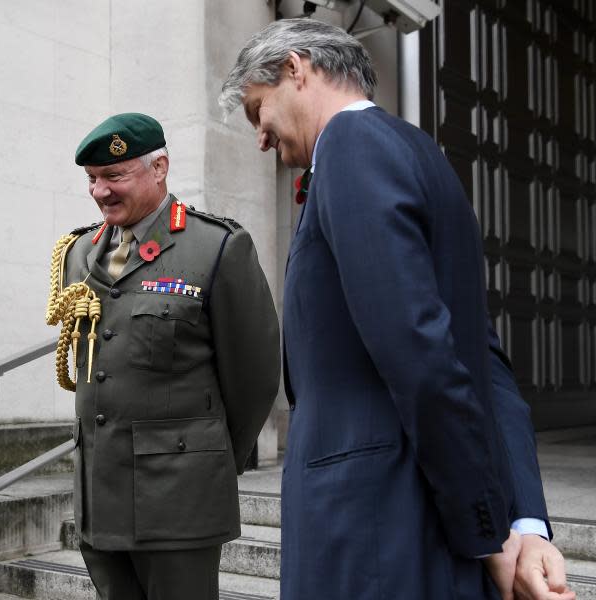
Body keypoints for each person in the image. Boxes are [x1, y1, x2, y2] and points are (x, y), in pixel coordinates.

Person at [218, 19, 574, 600]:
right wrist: (523, 522)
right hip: (413, 526)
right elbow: (484, 364)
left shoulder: (351, 147)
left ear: (295, 68)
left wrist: (489, 534)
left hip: (373, 532)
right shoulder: (417, 152)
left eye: (258, 111)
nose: (259, 137)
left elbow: (420, 351)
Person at [45, 112, 281, 599]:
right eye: (92, 179)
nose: (100, 191)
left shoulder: (214, 246)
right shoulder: (77, 253)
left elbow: (255, 379)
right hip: (100, 497)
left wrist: (205, 459)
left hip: (180, 500)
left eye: (114, 176)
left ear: (160, 168)